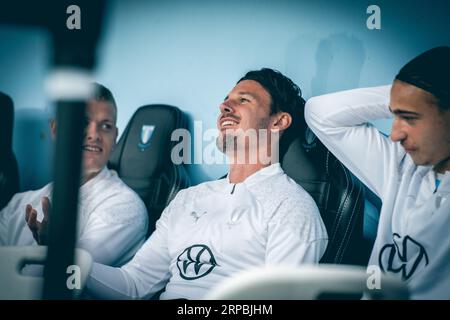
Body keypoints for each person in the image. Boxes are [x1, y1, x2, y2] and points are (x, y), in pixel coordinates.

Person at [87, 68, 328, 299]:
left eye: (244, 100)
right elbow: (134, 285)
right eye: (226, 101)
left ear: (278, 122)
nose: (224, 107)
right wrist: (70, 262)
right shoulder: (187, 199)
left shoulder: (292, 208)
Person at [305, 46, 450, 299]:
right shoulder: (403, 165)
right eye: (394, 116)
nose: (395, 135)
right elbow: (321, 113)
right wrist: (406, 95)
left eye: (410, 118)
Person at [0, 83, 148, 267]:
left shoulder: (125, 208)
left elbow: (73, 276)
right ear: (55, 130)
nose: (94, 135)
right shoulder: (18, 204)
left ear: (115, 136)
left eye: (106, 126)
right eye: (83, 122)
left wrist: (53, 249)